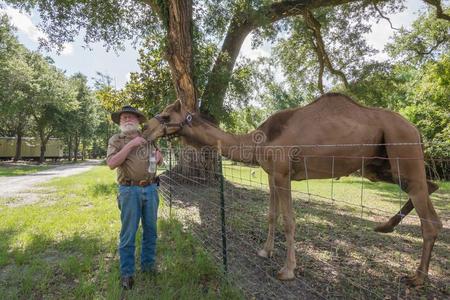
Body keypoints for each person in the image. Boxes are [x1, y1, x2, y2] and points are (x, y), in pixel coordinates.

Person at [106, 105, 163, 290]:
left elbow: (157, 161)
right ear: (120, 122)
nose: (127, 120)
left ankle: (148, 266)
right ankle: (127, 273)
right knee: (129, 233)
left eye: (131, 117)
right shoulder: (117, 139)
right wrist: (131, 145)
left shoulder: (149, 138)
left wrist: (159, 157)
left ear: (138, 121)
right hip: (129, 191)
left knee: (151, 231)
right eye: (124, 118)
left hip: (151, 189)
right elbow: (112, 163)